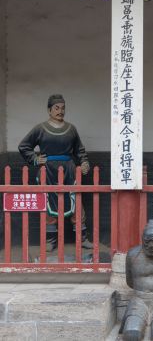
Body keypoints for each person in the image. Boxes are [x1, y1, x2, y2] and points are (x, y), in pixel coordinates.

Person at [18, 94, 92, 252]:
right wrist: (36, 159)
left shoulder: (71, 129)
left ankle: (83, 238)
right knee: (48, 205)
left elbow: (79, 150)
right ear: (49, 110)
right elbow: (24, 146)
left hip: (70, 170)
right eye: (57, 108)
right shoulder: (40, 128)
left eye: (63, 108)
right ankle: (51, 240)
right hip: (49, 171)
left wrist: (84, 162)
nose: (60, 111)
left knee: (76, 203)